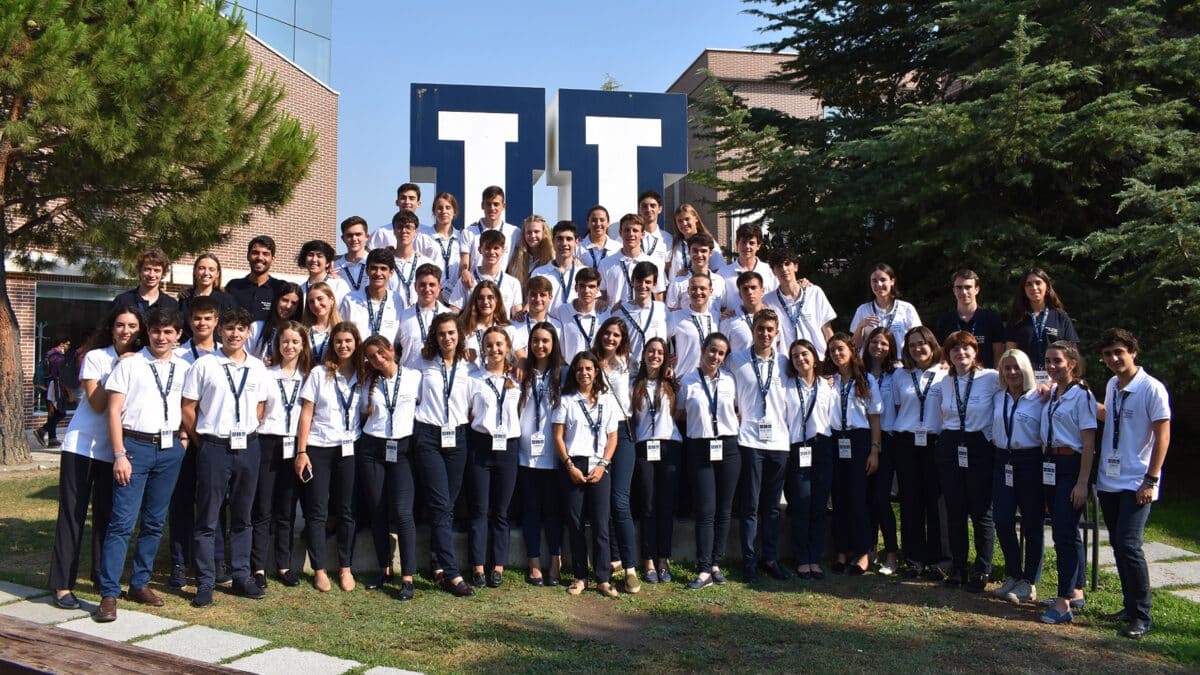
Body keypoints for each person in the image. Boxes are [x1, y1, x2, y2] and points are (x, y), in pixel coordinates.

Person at [93, 306, 189, 622]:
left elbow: (188, 406)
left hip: (169, 449)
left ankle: (140, 583)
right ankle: (109, 593)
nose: (161, 337)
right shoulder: (131, 365)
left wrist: (183, 439)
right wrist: (119, 454)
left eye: (168, 332)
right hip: (134, 447)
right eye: (156, 331)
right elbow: (113, 411)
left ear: (178, 336)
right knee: (122, 522)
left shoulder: (185, 366)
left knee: (154, 521)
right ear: (148, 333)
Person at [48, 306, 144, 611]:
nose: (126, 330)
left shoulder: (144, 361)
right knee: (73, 516)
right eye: (120, 325)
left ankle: (103, 579)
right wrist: (118, 365)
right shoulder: (96, 357)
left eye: (132, 325)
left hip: (114, 453)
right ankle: (62, 585)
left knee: (105, 518)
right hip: (82, 448)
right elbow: (98, 404)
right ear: (111, 328)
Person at [181, 307, 271, 607]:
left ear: (248, 333)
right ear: (220, 331)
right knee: (208, 517)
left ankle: (242, 575)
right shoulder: (205, 365)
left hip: (248, 446)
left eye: (241, 329)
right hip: (214, 447)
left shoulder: (258, 368)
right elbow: (188, 408)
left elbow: (260, 408)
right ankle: (206, 582)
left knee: (243, 516)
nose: (234, 334)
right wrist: (203, 443)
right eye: (229, 328)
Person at [1095, 328, 1171, 640]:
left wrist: (1151, 479)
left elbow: (1162, 435)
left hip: (1137, 481)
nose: (1114, 359)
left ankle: (1142, 615)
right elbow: (1109, 418)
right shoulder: (1113, 384)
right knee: (1117, 544)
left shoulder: (1152, 388)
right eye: (1108, 354)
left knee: (1129, 545)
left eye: (1119, 352)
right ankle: (1129, 606)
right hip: (1110, 480)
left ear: (1132, 352)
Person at [294, 321, 362, 593]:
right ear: (332, 345)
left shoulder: (363, 374)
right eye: (338, 341)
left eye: (348, 341)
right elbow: (306, 413)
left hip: (349, 450)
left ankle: (345, 567)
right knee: (317, 511)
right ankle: (320, 569)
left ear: (356, 343)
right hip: (319, 448)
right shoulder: (319, 374)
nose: (343, 345)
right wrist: (301, 452)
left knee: (346, 511)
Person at [412, 313, 475, 597]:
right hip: (428, 436)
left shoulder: (470, 366)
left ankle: (437, 563)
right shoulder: (421, 363)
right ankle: (452, 573)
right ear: (434, 337)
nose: (447, 338)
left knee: (447, 504)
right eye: (441, 334)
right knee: (440, 504)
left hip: (458, 436)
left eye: (451, 333)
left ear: (459, 335)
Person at [727, 309, 792, 581]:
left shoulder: (786, 363)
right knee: (750, 506)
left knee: (773, 507)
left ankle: (770, 558)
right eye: (760, 328)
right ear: (753, 330)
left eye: (770, 330)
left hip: (779, 441)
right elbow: (722, 390)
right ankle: (750, 561)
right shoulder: (736, 359)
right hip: (749, 441)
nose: (765, 334)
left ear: (777, 333)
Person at [935, 331, 1001, 591]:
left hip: (979, 445)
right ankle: (959, 567)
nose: (960, 354)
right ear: (948, 355)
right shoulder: (944, 381)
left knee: (982, 512)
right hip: (951, 444)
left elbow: (1021, 386)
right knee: (955, 510)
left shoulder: (991, 378)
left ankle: (982, 570)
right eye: (954, 350)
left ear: (975, 352)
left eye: (966, 349)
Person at [357, 335, 421, 600]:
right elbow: (363, 413)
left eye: (381, 354)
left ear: (391, 350)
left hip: (403, 450)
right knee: (378, 510)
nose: (378, 360)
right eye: (372, 357)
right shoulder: (367, 382)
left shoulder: (414, 377)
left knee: (404, 513)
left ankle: (407, 576)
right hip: (373, 449)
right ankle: (384, 568)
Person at [1038, 341, 1097, 624]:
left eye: (1057, 361)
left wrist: (1082, 483)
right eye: (1048, 361)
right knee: (1067, 531)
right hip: (1050, 465)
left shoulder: (1082, 395)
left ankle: (1062, 604)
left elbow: (1088, 444)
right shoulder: (1052, 394)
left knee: (1063, 533)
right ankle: (1075, 591)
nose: (1051, 366)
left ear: (1072, 363)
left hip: (1071, 466)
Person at [167, 295, 224, 588]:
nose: (202, 323)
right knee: (181, 501)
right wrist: (190, 434)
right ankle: (179, 561)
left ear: (216, 321)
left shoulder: (227, 354)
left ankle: (216, 560)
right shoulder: (178, 356)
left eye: (208, 318)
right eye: (197, 318)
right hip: (187, 438)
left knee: (213, 503)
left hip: (215, 440)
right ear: (190, 321)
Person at [553, 351, 620, 597]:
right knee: (576, 523)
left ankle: (603, 578)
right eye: (579, 369)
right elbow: (558, 436)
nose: (584, 373)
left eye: (589, 368)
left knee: (602, 523)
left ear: (596, 372)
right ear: (574, 372)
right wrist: (569, 465)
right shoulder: (566, 400)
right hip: (574, 464)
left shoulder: (606, 399)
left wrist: (603, 464)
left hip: (600, 465)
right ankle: (580, 577)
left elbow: (613, 437)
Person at [252, 321, 311, 590]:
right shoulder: (265, 373)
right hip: (267, 443)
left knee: (287, 510)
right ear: (278, 344)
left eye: (295, 342)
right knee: (263, 508)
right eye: (285, 341)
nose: (290, 346)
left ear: (303, 346)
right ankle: (259, 567)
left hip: (295, 447)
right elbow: (259, 410)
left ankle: (284, 565)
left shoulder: (309, 377)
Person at [678, 332, 740, 589]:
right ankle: (703, 568)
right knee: (705, 510)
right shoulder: (687, 381)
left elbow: (737, 411)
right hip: (699, 448)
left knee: (724, 510)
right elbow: (680, 414)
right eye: (712, 350)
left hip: (727, 446)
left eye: (721, 353)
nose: (715, 356)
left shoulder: (730, 380)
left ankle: (716, 563)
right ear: (703, 350)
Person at [465, 327, 522, 588]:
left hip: (508, 447)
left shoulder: (519, 380)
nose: (495, 349)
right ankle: (477, 565)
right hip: (481, 445)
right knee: (479, 508)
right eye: (489, 345)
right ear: (483, 348)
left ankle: (498, 564)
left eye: (500, 344)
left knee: (501, 510)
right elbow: (467, 414)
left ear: (508, 346)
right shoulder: (473, 379)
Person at [892, 326, 949, 579]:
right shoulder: (900, 375)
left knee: (937, 503)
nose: (917, 349)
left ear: (932, 344)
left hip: (935, 442)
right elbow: (896, 407)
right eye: (912, 345)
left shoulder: (945, 374)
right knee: (910, 501)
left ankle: (940, 561)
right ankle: (914, 559)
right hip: (906, 442)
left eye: (922, 343)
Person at [990, 348, 1045, 604]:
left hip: (1030, 461)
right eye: (1007, 368)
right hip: (1003, 460)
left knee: (1032, 524)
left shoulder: (1039, 397)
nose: (1012, 372)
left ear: (1026, 370)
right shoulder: (998, 396)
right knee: (1001, 519)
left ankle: (1029, 581)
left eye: (1016, 368)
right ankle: (1013, 573)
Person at [826, 332, 883, 575]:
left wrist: (874, 450)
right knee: (838, 498)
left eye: (840, 349)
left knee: (858, 499)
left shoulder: (866, 379)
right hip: (835, 440)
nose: (836, 354)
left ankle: (862, 553)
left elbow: (875, 417)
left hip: (859, 440)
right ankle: (841, 551)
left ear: (851, 350)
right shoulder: (828, 381)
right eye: (832, 351)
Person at [591, 317, 640, 593]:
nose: (611, 339)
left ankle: (630, 568)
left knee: (620, 501)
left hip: (622, 433)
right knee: (603, 501)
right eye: (608, 333)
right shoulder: (588, 360)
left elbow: (654, 373)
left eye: (617, 335)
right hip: (596, 433)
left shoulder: (628, 363)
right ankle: (613, 559)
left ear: (622, 340)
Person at [783, 338, 837, 579]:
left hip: (822, 446)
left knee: (819, 504)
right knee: (801, 503)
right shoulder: (787, 386)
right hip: (797, 448)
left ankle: (815, 557)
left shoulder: (828, 386)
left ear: (815, 357)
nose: (801, 359)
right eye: (795, 356)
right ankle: (802, 557)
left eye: (805, 354)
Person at [518, 323, 567, 587]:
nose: (540, 345)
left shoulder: (564, 373)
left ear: (553, 343)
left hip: (553, 453)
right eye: (535, 340)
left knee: (553, 511)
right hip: (525, 454)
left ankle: (555, 561)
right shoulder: (521, 372)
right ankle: (534, 562)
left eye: (545, 341)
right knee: (531, 510)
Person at [631, 337, 682, 584]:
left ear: (666, 357)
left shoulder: (672, 383)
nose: (655, 355)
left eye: (660, 352)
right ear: (643, 355)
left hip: (669, 445)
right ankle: (648, 560)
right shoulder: (634, 385)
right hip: (644, 447)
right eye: (650, 351)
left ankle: (664, 559)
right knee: (648, 505)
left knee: (666, 506)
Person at [863, 327, 900, 575]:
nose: (878, 347)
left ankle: (892, 554)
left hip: (888, 440)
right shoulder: (860, 371)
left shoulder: (897, 373)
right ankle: (870, 550)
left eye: (884, 343)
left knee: (882, 498)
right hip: (862, 438)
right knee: (867, 499)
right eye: (874, 342)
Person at [1005, 268, 1079, 383]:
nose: (1034, 288)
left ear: (1047, 287)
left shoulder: (1061, 317)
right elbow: (1010, 355)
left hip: (1057, 380)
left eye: (1038, 283)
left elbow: (1072, 353)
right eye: (1029, 284)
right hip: (1026, 381)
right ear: (1024, 289)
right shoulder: (1016, 319)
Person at [766, 250, 836, 359]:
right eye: (779, 266)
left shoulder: (814, 292)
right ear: (774, 271)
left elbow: (827, 329)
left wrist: (832, 360)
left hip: (818, 360)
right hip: (787, 364)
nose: (784, 269)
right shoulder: (768, 300)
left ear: (795, 267)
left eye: (787, 264)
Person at [934, 269, 1005, 368]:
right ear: (954, 291)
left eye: (968, 287)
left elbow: (998, 355)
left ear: (977, 289)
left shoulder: (991, 319)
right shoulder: (945, 321)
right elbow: (942, 356)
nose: (963, 292)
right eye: (959, 287)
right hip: (955, 379)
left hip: (985, 378)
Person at [850, 263, 922, 353]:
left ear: (892, 281)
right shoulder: (862, 310)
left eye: (883, 280)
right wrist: (860, 327)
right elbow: (854, 347)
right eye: (874, 281)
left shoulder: (906, 308)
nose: (879, 284)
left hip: (899, 364)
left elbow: (919, 339)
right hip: (870, 365)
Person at [450, 229, 523, 316]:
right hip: (474, 328)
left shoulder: (513, 283)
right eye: (487, 248)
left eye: (496, 248)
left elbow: (517, 315)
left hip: (501, 329)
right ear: (480, 249)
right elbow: (454, 311)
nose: (492, 252)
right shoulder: (467, 280)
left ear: (503, 250)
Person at [599, 214, 665, 307]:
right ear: (620, 233)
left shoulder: (654, 263)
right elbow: (601, 298)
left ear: (642, 234)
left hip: (643, 318)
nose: (631, 234)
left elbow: (659, 299)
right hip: (615, 317)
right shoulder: (606, 263)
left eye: (635, 230)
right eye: (627, 230)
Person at [610, 261, 667, 369]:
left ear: (654, 285)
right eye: (639, 281)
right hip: (629, 372)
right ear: (632, 282)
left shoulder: (663, 309)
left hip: (656, 371)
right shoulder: (620, 312)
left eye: (648, 282)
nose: (643, 285)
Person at [339, 248, 402, 345]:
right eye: (373, 268)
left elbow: (399, 338)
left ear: (391, 272)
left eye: (383, 269)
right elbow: (342, 333)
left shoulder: (396, 300)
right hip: (358, 358)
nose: (378, 273)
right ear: (367, 270)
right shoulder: (350, 300)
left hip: (386, 358)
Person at [460, 185, 521, 285]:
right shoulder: (469, 232)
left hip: (501, 286)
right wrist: (464, 271)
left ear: (503, 206)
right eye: (488, 204)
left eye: (496, 204)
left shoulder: (514, 232)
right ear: (482, 205)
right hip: (475, 284)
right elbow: (464, 259)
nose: (492, 208)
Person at [396, 264, 452, 369]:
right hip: (410, 377)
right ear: (415, 286)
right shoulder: (403, 316)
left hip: (439, 377)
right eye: (422, 284)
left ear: (439, 287)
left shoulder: (450, 316)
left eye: (432, 285)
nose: (427, 289)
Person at [667, 273, 722, 377]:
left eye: (702, 288)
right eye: (694, 288)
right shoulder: (676, 317)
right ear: (688, 291)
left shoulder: (717, 317)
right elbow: (658, 339)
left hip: (711, 380)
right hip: (684, 381)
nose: (698, 292)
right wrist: (666, 359)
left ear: (711, 291)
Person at [226, 235, 289, 323]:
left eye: (265, 254)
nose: (259, 257)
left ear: (273, 259)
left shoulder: (281, 288)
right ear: (248, 256)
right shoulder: (233, 286)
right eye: (255, 253)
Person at [176, 253, 237, 340]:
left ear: (217, 274)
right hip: (188, 350)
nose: (206, 273)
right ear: (195, 271)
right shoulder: (185, 297)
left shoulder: (227, 300)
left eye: (211, 269)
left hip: (217, 351)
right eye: (201, 268)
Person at [531, 220, 587, 314]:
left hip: (575, 326)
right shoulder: (539, 273)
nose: (564, 243)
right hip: (548, 326)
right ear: (553, 241)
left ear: (576, 242)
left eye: (569, 239)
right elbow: (532, 303)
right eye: (560, 239)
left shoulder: (584, 272)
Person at [551, 266, 606, 361]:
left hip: (596, 369)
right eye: (582, 286)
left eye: (591, 287)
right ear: (576, 288)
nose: (586, 291)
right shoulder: (562, 311)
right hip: (569, 369)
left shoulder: (605, 312)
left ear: (598, 289)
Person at [458, 280, 517, 367]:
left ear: (497, 300)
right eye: (481, 298)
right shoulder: (464, 329)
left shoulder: (508, 330)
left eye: (490, 297)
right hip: (471, 377)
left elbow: (521, 359)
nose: (485, 302)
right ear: (475, 301)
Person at [719, 224, 778, 309]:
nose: (747, 246)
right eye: (743, 242)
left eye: (751, 243)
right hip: (736, 321)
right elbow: (717, 304)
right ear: (736, 243)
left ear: (758, 246)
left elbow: (779, 298)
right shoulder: (723, 273)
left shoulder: (769, 271)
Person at [415, 192, 466, 288]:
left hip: (457, 293)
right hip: (431, 292)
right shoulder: (423, 237)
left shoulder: (461, 237)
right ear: (434, 212)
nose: (444, 211)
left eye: (448, 207)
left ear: (454, 211)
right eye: (439, 208)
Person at [665, 233, 727, 311]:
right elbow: (670, 311)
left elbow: (723, 309)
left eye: (703, 251)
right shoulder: (678, 282)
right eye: (695, 251)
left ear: (710, 253)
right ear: (689, 252)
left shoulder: (719, 281)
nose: (699, 255)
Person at [720, 271, 778, 354]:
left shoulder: (774, 318)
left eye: (753, 287)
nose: (750, 292)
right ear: (740, 294)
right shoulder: (728, 320)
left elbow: (778, 346)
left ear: (762, 291)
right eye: (745, 288)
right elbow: (722, 351)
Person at [389, 210, 437, 309]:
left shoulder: (426, 263)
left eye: (408, 227)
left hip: (418, 318)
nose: (404, 231)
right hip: (392, 318)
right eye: (399, 227)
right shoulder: (385, 264)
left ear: (416, 231)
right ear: (393, 230)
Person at [111, 248, 180, 313]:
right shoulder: (122, 301)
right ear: (140, 270)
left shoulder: (171, 305)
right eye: (147, 269)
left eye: (157, 270)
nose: (151, 275)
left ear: (163, 273)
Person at [249, 282, 302, 365]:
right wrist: (260, 365)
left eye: (293, 303)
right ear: (276, 300)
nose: (288, 306)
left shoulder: (300, 333)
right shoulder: (256, 327)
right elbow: (244, 357)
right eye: (284, 300)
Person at [666, 204, 725, 279]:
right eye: (680, 221)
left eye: (687, 219)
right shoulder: (675, 244)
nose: (684, 223)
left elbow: (718, 271)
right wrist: (678, 278)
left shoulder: (708, 243)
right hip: (679, 288)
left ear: (696, 219)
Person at [511, 276, 563, 360]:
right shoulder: (514, 325)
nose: (538, 299)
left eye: (542, 295)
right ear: (527, 297)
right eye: (533, 294)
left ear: (550, 297)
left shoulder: (557, 326)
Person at [35, 335, 71, 448]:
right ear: (62, 344)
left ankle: (52, 439)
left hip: (47, 386)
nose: (68, 347)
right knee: (61, 412)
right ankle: (42, 430)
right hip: (54, 387)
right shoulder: (58, 357)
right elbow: (60, 374)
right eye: (68, 344)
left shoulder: (49, 354)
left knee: (53, 413)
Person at [368, 183, 423, 250]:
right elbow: (368, 256)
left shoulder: (426, 233)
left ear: (418, 204)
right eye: (403, 198)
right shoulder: (382, 233)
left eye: (411, 198)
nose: (407, 202)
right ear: (397, 202)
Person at [297, 240, 350, 305]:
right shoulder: (301, 290)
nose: (314, 260)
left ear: (327, 263)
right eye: (310, 255)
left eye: (319, 256)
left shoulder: (338, 285)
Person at [302, 281, 343, 364]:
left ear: (331, 300)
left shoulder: (342, 330)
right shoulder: (302, 330)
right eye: (311, 301)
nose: (316, 304)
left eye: (320, 299)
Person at [507, 214, 553, 286]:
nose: (532, 236)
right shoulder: (515, 259)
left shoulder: (552, 258)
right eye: (529, 232)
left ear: (544, 233)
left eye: (536, 231)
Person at [334, 216, 371, 294]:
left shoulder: (375, 263)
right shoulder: (334, 267)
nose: (354, 238)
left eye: (358, 234)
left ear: (367, 237)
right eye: (349, 235)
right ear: (343, 238)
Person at [578, 205, 621, 270]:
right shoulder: (578, 248)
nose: (598, 224)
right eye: (594, 220)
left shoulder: (618, 248)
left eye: (602, 220)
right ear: (588, 223)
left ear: (608, 223)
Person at [637, 189, 673, 265]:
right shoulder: (630, 236)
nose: (649, 209)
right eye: (644, 206)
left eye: (653, 206)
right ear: (639, 210)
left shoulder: (668, 238)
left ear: (660, 209)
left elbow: (667, 268)